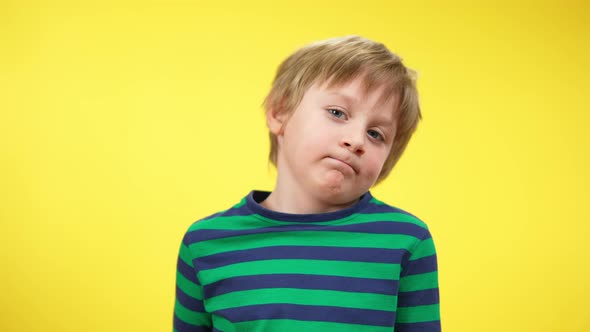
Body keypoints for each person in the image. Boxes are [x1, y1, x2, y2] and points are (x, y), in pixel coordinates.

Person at [173, 35, 441, 332]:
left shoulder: (406, 240)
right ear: (279, 112)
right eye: (338, 113)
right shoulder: (205, 243)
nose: (355, 140)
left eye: (376, 134)